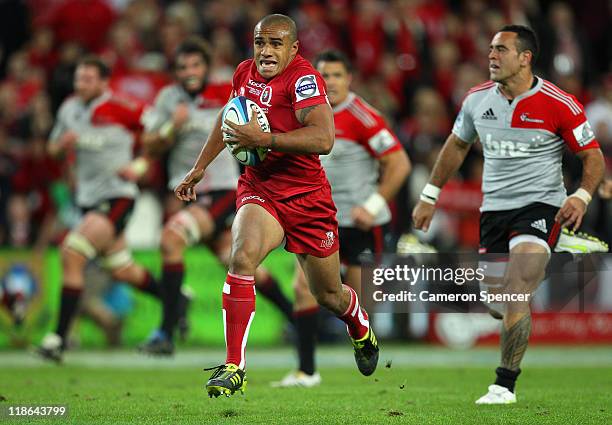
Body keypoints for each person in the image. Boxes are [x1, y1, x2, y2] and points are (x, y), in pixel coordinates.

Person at [175, 14, 379, 397]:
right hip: (260, 188)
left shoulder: (304, 80)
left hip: (307, 198)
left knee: (329, 295)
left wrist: (265, 138)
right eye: (260, 42)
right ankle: (235, 365)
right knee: (242, 256)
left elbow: (323, 138)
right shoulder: (244, 73)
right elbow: (229, 115)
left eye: (275, 43)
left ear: (293, 48)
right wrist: (199, 167)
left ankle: (358, 322)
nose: (266, 51)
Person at [413, 25, 604, 404]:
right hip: (494, 211)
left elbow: (592, 156)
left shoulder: (558, 103)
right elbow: (456, 145)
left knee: (518, 288)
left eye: (501, 49)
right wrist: (430, 195)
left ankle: (504, 385)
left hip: (541, 206)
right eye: (490, 49)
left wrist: (581, 196)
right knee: (498, 302)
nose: (492, 56)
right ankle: (513, 289)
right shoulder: (476, 100)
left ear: (525, 57)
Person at [138, 37, 294, 355]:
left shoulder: (227, 90)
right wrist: (171, 127)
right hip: (188, 194)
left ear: (206, 67)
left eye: (196, 65)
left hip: (222, 190)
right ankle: (300, 319)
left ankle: (166, 332)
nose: (190, 72)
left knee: (171, 240)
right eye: (183, 67)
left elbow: (260, 119)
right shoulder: (168, 98)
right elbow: (149, 146)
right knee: (237, 262)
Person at [273, 50, 410, 387]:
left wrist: (375, 203)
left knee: (360, 298)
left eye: (336, 75)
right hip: (317, 217)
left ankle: (367, 353)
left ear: (349, 79)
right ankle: (306, 371)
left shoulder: (363, 117)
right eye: (323, 75)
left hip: (359, 222)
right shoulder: (304, 114)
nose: (330, 82)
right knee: (303, 289)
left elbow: (399, 163)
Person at [37, 56, 165, 362]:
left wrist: (142, 163)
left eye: (87, 79)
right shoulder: (69, 109)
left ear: (104, 82)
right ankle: (175, 300)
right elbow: (51, 149)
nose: (80, 84)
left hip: (118, 196)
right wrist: (61, 145)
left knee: (72, 251)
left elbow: (161, 132)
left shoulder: (123, 107)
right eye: (78, 78)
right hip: (87, 200)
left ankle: (58, 338)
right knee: (122, 269)